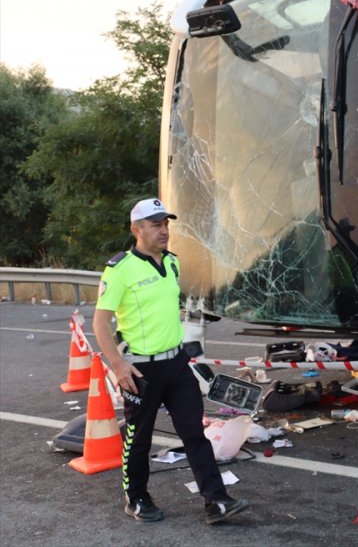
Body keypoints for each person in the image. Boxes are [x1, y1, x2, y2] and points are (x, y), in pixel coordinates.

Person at [92, 198, 251, 524]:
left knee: (194, 432)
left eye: (166, 223)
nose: (164, 230)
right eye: (156, 225)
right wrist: (119, 366)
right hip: (141, 369)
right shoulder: (120, 269)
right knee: (139, 438)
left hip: (176, 365)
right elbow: (100, 323)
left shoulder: (172, 263)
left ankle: (216, 500)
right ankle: (136, 498)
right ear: (137, 230)